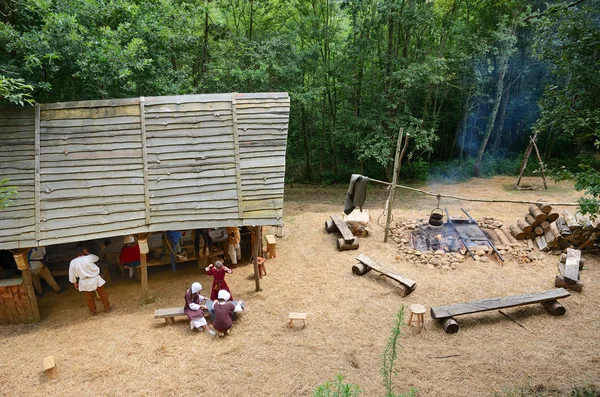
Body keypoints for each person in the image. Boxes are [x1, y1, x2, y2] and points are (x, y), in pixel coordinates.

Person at [69, 244, 115, 316]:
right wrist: (87, 253)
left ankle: (93, 312)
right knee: (102, 294)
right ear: (84, 250)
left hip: (84, 281)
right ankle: (107, 308)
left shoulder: (73, 262)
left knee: (89, 297)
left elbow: (71, 274)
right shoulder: (89, 257)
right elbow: (97, 258)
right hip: (94, 279)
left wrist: (75, 282)